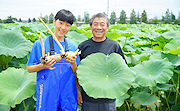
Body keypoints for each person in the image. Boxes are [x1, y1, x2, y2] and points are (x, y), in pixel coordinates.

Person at [26, 9, 80, 111]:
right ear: (54, 21)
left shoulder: (73, 47)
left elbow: (77, 73)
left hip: (68, 94)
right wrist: (43, 66)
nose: (63, 28)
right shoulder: (40, 44)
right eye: (61, 23)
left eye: (67, 25)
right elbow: (29, 68)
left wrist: (73, 63)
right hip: (47, 93)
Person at [77, 13, 127, 111]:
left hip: (108, 98)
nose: (99, 27)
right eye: (95, 24)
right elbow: (77, 72)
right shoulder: (83, 46)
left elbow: (123, 70)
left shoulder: (114, 46)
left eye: (102, 24)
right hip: (88, 97)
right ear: (90, 27)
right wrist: (78, 92)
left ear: (107, 27)